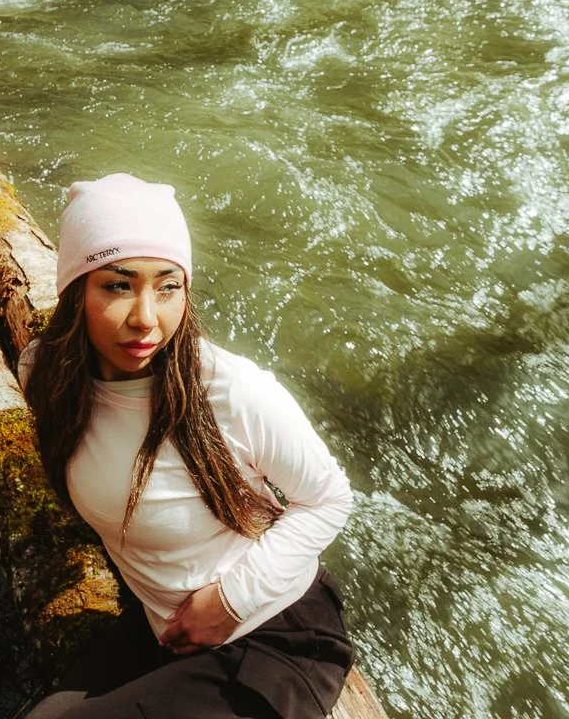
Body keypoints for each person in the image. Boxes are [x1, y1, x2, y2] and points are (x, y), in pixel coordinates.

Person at [20, 173, 354, 719]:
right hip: (164, 627)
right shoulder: (48, 376)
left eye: (167, 286)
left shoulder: (228, 389)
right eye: (118, 285)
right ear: (75, 288)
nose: (146, 318)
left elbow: (330, 497)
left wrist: (228, 603)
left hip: (271, 635)